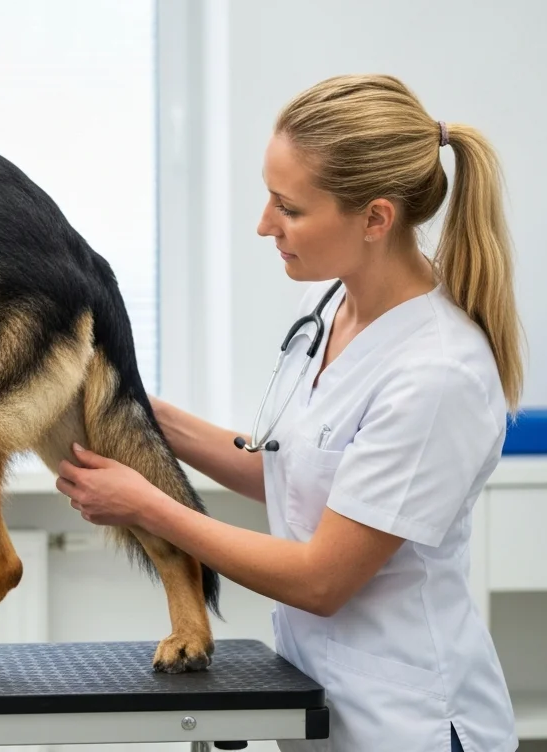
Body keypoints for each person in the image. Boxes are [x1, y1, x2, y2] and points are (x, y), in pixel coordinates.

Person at [55, 74, 522, 752]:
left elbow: (323, 578)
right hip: (321, 706)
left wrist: (147, 506)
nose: (264, 225)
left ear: (376, 219)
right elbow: (285, 467)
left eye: (290, 208)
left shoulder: (436, 374)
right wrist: (132, 409)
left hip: (407, 721)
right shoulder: (336, 312)